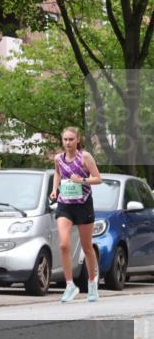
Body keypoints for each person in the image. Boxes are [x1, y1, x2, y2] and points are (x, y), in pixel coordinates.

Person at [49, 126, 102, 302]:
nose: (68, 142)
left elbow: (98, 178)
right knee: (64, 244)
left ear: (77, 140)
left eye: (71, 139)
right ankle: (70, 285)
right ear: (62, 141)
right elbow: (57, 173)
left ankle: (92, 283)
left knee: (87, 247)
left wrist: (82, 180)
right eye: (65, 139)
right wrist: (54, 190)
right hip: (65, 204)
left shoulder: (85, 157)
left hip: (83, 204)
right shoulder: (58, 158)